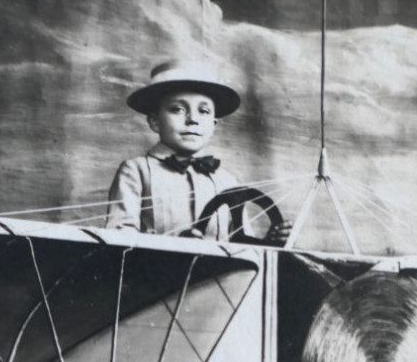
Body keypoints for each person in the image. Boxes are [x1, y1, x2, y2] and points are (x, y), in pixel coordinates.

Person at [106, 60, 288, 244]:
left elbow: (242, 241)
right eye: (177, 109)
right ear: (155, 122)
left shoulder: (227, 181)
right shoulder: (136, 171)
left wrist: (271, 240)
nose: (193, 119)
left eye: (203, 111)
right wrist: (175, 248)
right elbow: (120, 238)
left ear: (213, 124)